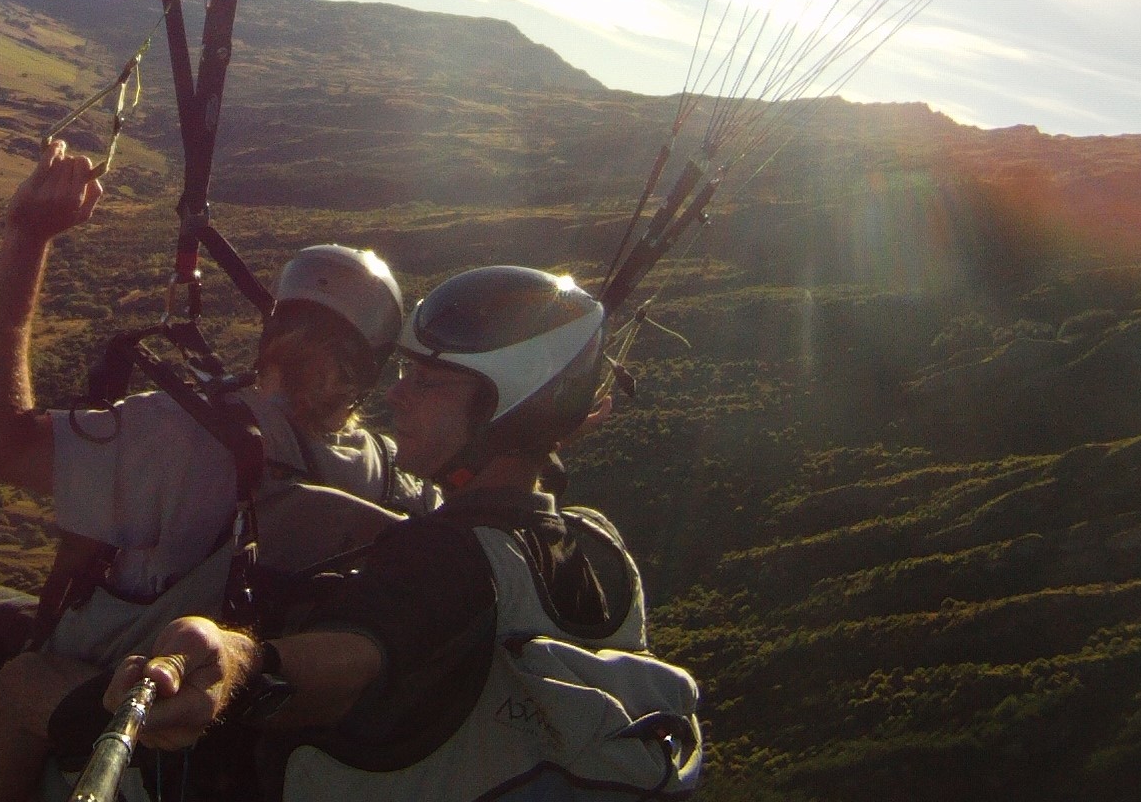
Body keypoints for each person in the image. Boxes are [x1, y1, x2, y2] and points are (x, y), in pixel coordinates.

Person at [0, 141, 431, 802]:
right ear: (368, 371)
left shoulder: (184, 432)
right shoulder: (377, 473)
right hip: (229, 705)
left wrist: (28, 238)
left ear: (272, 323)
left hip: (107, 677)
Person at [79, 264, 702, 800]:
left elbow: (364, 653)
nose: (397, 395)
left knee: (30, 697)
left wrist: (235, 663)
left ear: (498, 413)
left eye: (428, 381)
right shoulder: (598, 547)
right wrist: (546, 429)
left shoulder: (444, 558)